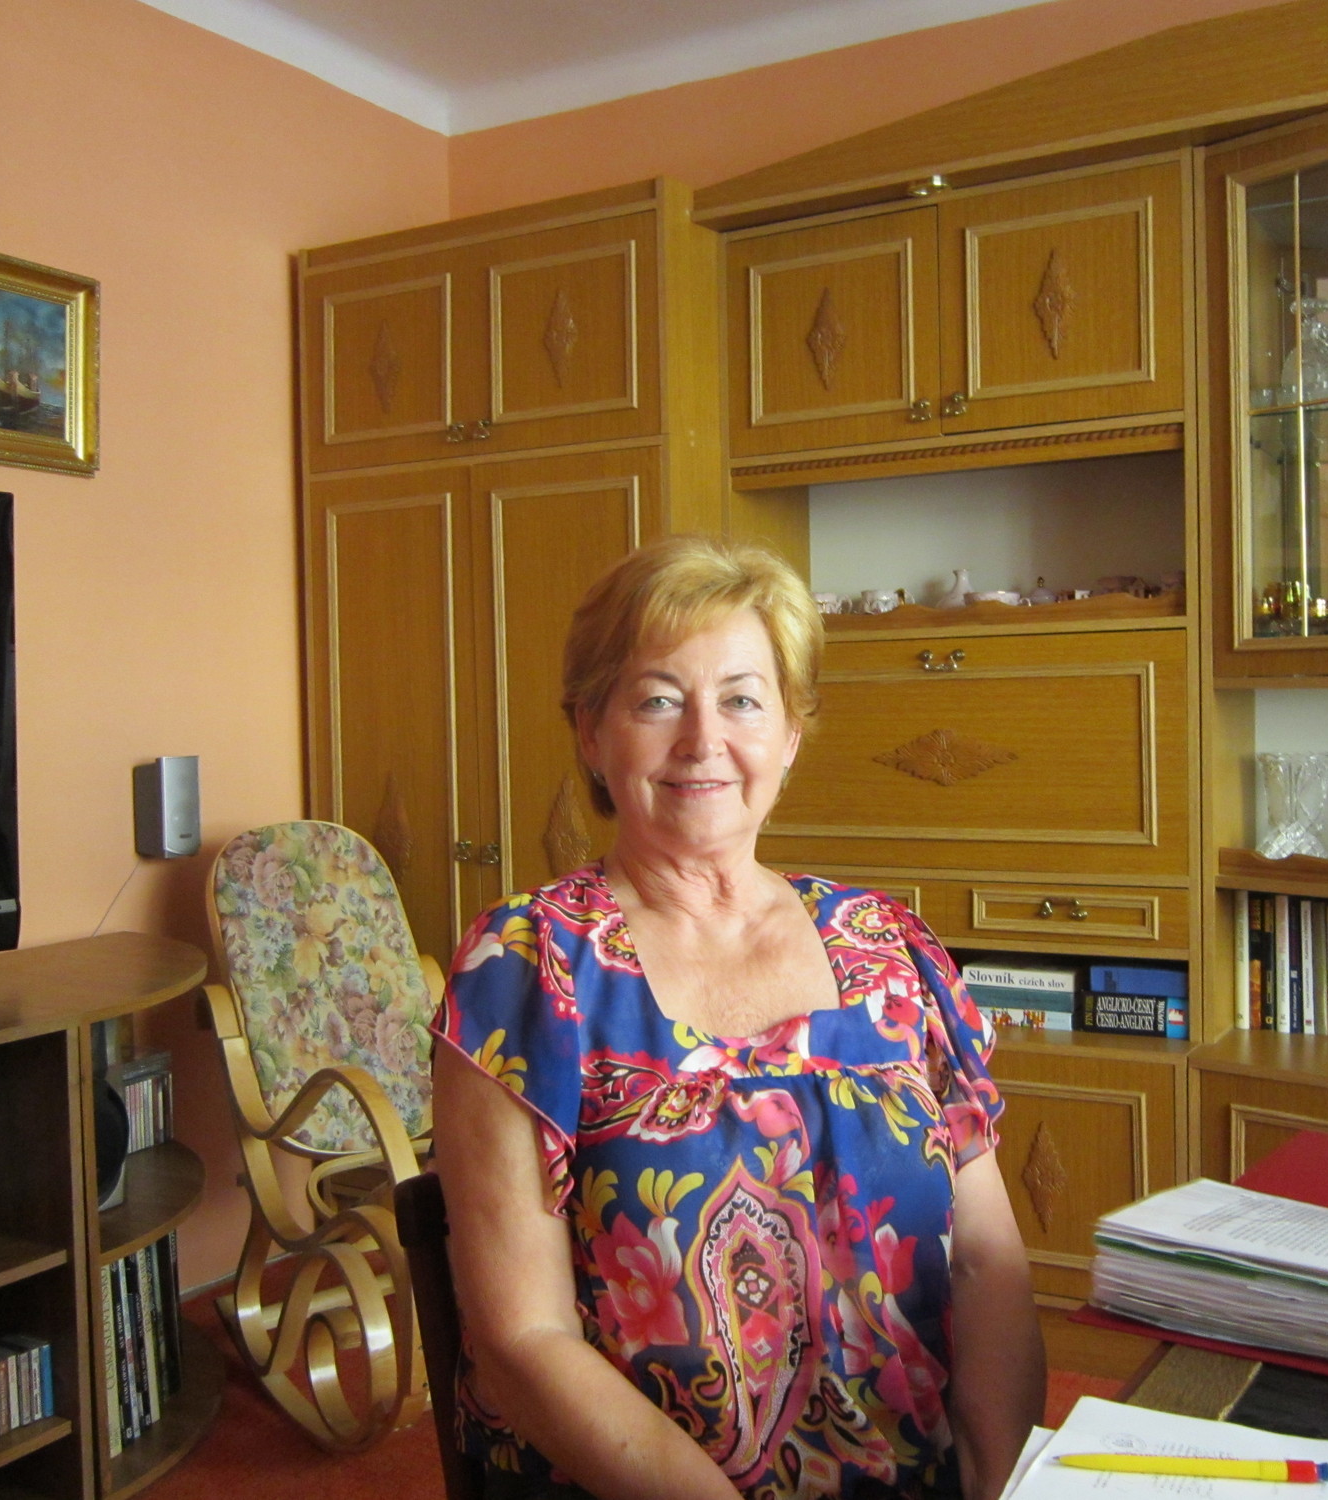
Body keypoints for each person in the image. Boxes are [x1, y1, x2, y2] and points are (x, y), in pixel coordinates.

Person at [432, 536, 1047, 1500]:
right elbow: (525, 1339)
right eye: (657, 700)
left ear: (791, 734)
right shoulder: (528, 968)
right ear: (590, 732)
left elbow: (985, 1264)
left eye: (743, 700)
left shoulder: (889, 948)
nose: (702, 740)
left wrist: (997, 1481)